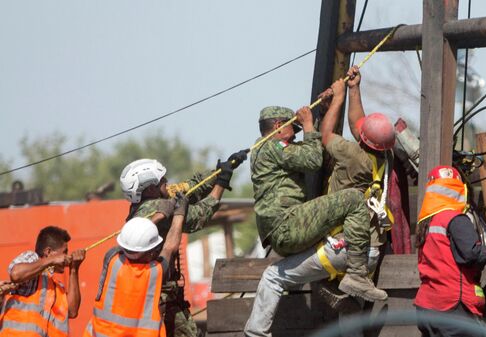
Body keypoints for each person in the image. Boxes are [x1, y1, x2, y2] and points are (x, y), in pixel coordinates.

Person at [245, 68, 397, 337]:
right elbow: (358, 123)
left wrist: (331, 105)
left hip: (343, 248)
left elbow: (323, 141)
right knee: (348, 318)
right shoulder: (384, 158)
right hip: (369, 248)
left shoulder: (351, 153)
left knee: (281, 274)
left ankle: (347, 282)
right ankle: (347, 288)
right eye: (290, 128)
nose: (293, 133)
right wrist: (352, 90)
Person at [251, 99, 387, 303]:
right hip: (289, 223)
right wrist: (308, 124)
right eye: (292, 127)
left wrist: (321, 114)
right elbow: (313, 159)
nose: (296, 133)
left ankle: (335, 284)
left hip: (287, 226)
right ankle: (356, 276)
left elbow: (311, 148)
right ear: (278, 126)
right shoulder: (272, 146)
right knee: (353, 199)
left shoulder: (266, 149)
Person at [119, 154, 246, 337]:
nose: (167, 182)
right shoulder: (155, 208)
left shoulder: (145, 204)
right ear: (151, 189)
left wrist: (218, 172)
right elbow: (199, 215)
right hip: (160, 297)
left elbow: (189, 189)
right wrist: (222, 182)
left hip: (161, 295)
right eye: (162, 180)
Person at [414, 166, 486, 337]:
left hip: (427, 307)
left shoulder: (426, 223)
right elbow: (472, 254)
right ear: (458, 189)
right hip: (453, 307)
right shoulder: (455, 219)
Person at [84, 194, 188, 337]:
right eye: (154, 250)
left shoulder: (112, 259)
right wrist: (179, 214)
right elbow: (170, 247)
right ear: (149, 253)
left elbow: (132, 240)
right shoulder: (153, 272)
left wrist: (158, 216)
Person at [0, 226, 86, 336]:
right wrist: (51, 260)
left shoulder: (55, 285)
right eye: (64, 252)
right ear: (48, 252)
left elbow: (72, 311)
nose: (67, 257)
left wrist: (74, 269)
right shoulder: (32, 259)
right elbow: (16, 274)